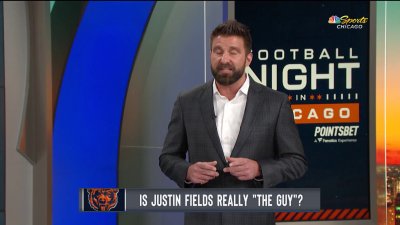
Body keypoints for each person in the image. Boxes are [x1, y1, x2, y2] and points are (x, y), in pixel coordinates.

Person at [159, 20, 307, 225]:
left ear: (248, 58)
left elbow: (296, 162)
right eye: (218, 51)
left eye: (233, 52)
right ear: (210, 54)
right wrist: (187, 172)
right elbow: (167, 157)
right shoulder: (187, 102)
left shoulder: (276, 103)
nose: (224, 59)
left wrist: (259, 169)